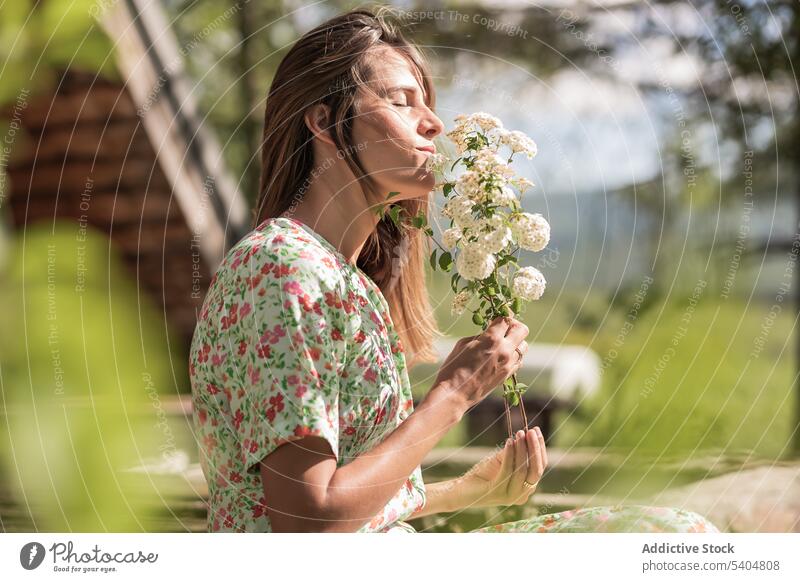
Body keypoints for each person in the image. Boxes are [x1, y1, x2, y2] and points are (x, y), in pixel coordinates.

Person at [188, 6, 721, 534]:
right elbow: (308, 524)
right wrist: (454, 396)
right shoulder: (282, 269)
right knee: (671, 536)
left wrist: (473, 490)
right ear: (325, 121)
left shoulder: (349, 282)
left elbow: (352, 505)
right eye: (401, 101)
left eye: (428, 103)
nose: (435, 122)